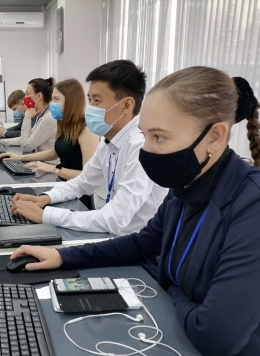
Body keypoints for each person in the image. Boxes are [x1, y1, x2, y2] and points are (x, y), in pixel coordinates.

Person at [9, 67, 260, 356]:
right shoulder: (187, 188)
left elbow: (216, 335)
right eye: (145, 135)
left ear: (214, 136)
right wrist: (63, 256)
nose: (148, 150)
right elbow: (143, 245)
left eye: (159, 137)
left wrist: (170, 287)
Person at [11, 60, 167, 236]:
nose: (91, 108)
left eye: (97, 101)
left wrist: (47, 215)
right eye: (90, 100)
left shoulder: (140, 147)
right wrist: (45, 198)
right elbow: (82, 182)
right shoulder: (110, 141)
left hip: (139, 244)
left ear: (126, 105)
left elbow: (115, 219)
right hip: (116, 236)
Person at [0, 79, 99, 181]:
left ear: (71, 102)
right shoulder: (65, 124)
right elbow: (53, 153)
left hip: (75, 187)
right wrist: (18, 158)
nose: (52, 103)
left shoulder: (87, 130)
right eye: (52, 98)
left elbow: (89, 176)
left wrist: (53, 169)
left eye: (56, 99)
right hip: (63, 182)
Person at [0, 78, 57, 155]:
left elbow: (26, 146)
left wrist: (27, 118)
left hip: (46, 161)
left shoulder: (48, 118)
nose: (25, 98)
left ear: (38, 96)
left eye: (27, 94)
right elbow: (25, 139)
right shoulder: (41, 116)